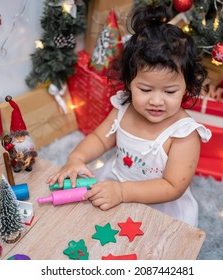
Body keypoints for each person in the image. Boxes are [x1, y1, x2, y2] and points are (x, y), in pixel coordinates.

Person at [46, 4, 211, 227]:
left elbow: (173, 186)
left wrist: (123, 192)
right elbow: (99, 138)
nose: (156, 100)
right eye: (145, 89)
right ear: (129, 83)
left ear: (187, 87)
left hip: (159, 206)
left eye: (170, 91)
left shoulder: (184, 134)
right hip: (115, 181)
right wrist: (76, 158)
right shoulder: (124, 108)